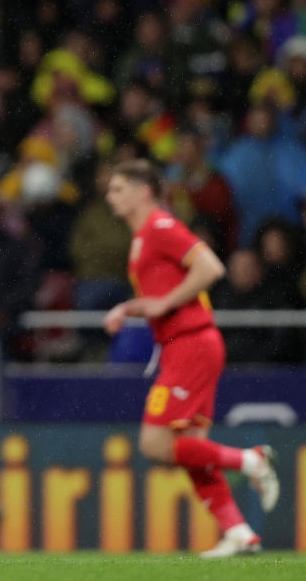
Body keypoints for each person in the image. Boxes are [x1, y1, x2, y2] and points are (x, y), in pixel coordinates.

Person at [102, 159, 280, 558]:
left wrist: (164, 302)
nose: (110, 197)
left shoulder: (160, 228)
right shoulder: (141, 239)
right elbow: (165, 294)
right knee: (190, 448)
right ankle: (238, 533)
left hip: (191, 345)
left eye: (117, 189)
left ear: (142, 191)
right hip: (185, 344)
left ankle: (249, 460)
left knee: (154, 444)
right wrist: (129, 309)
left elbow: (210, 267)